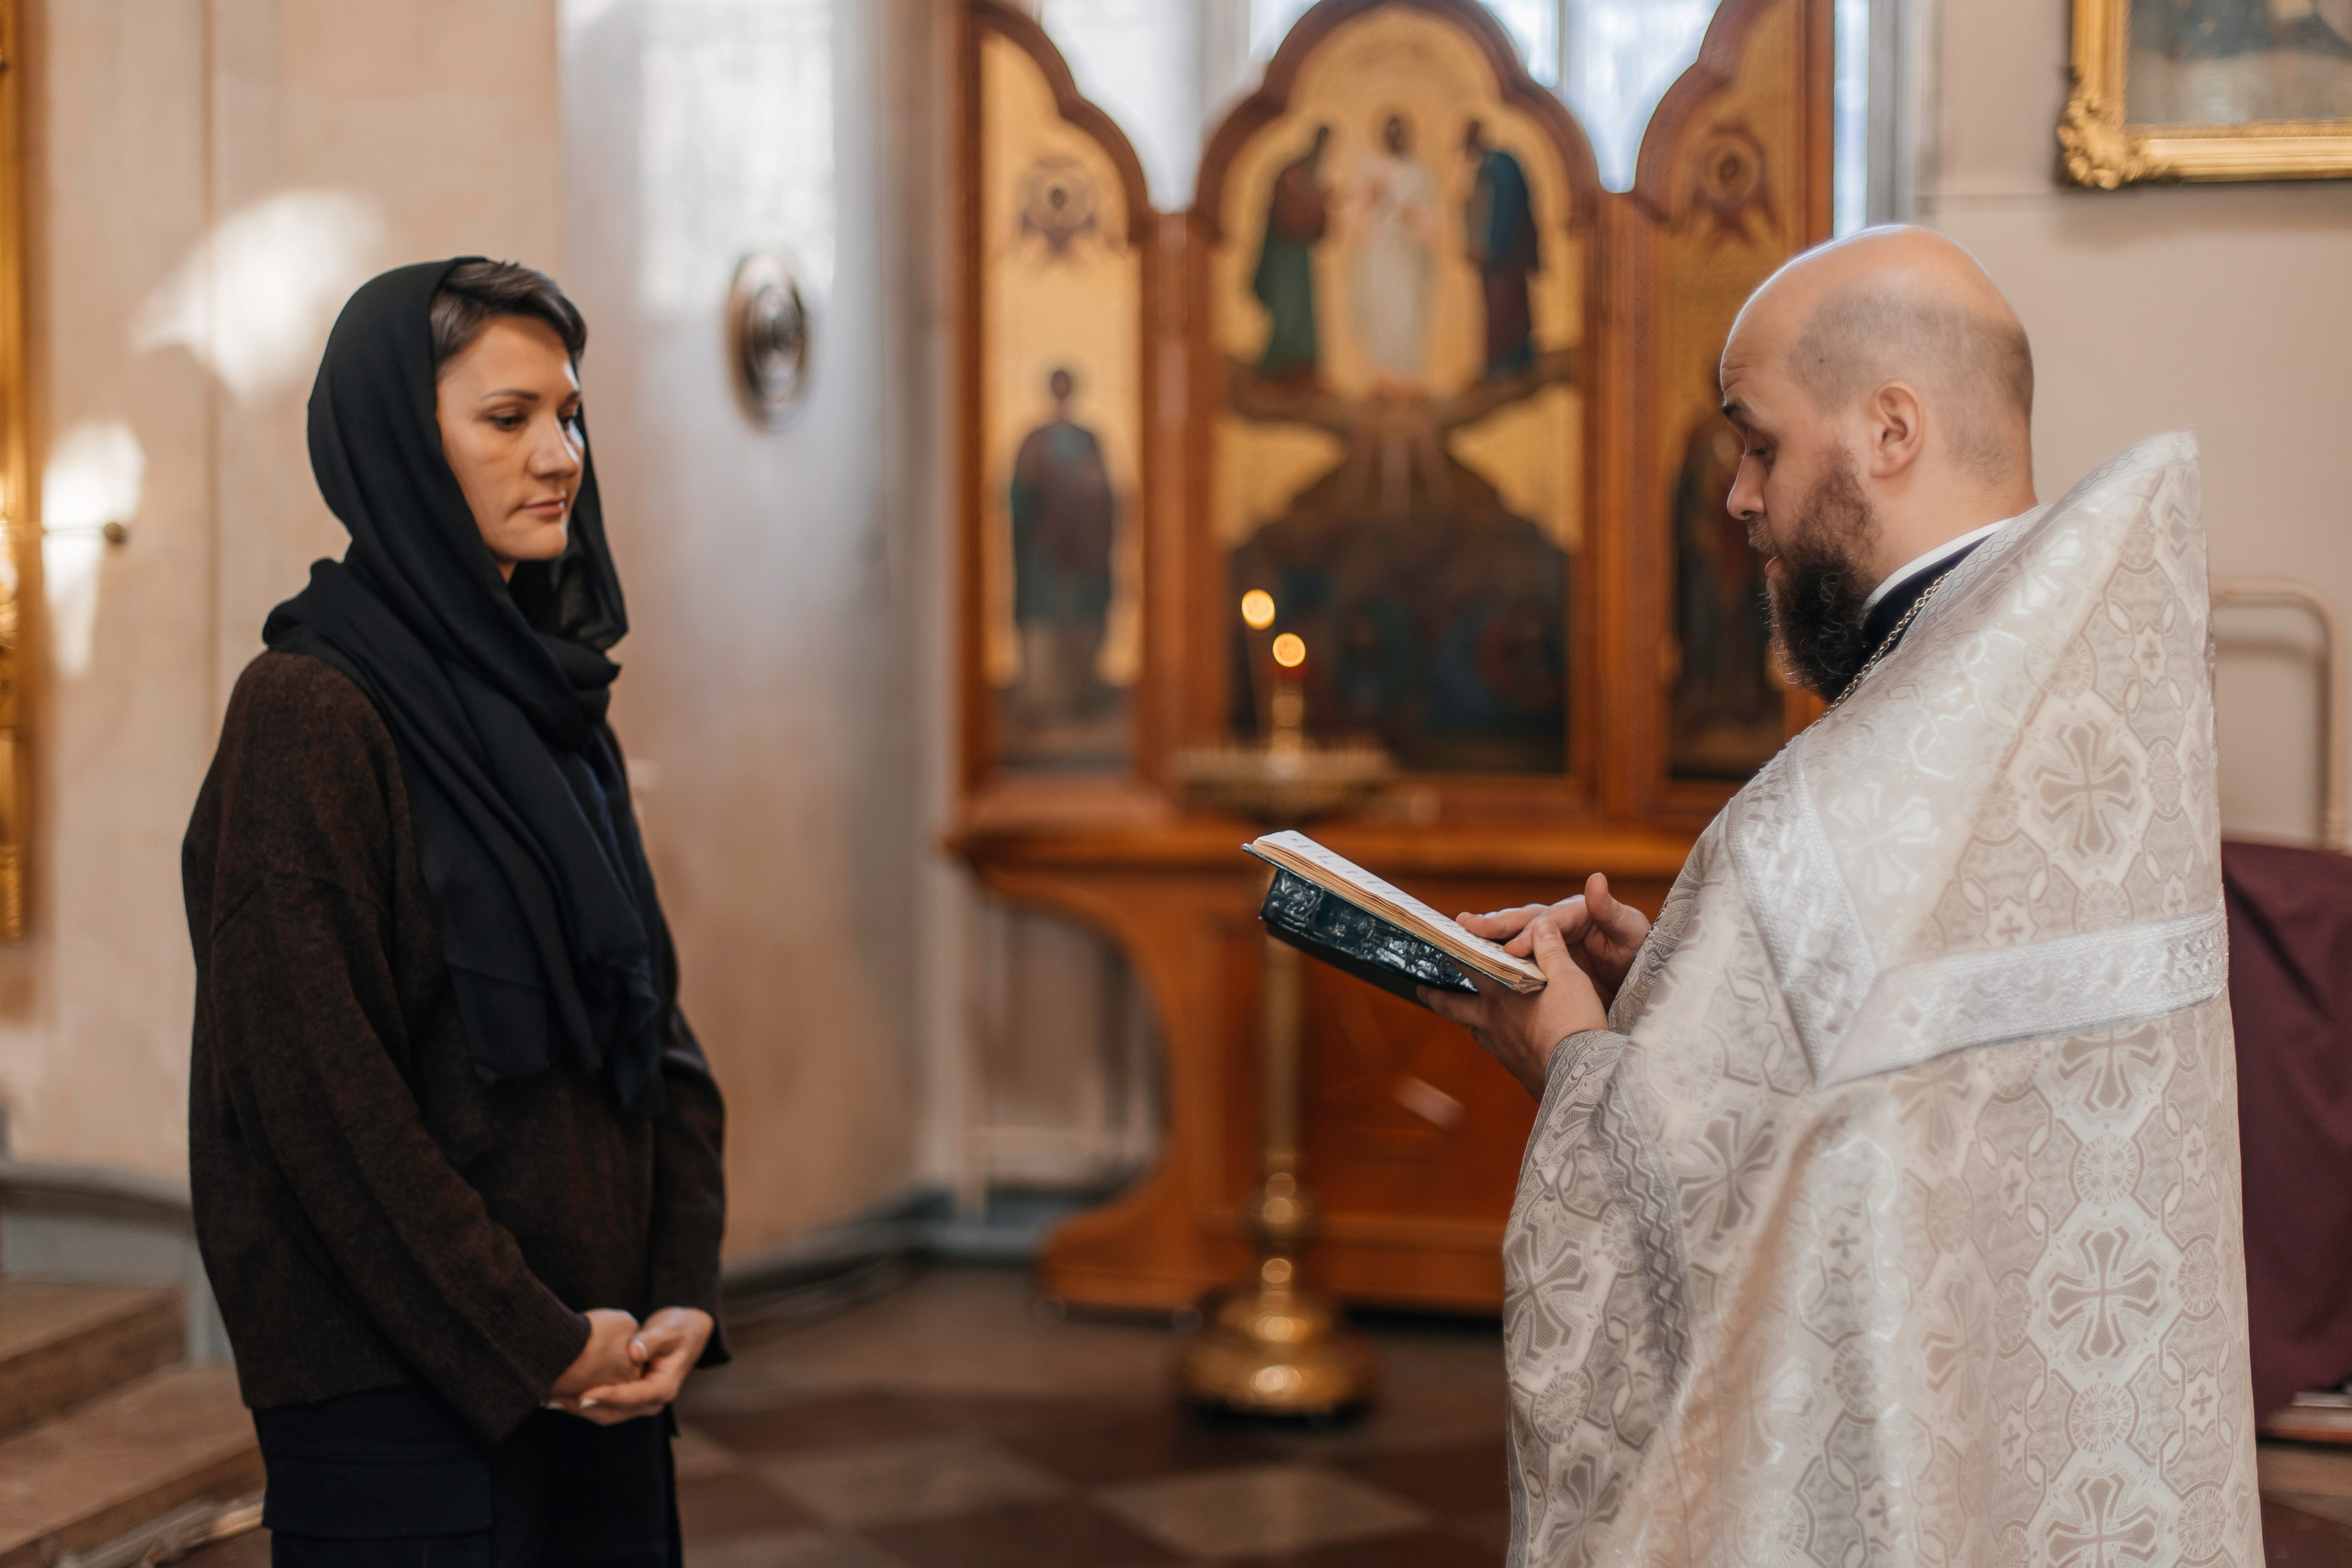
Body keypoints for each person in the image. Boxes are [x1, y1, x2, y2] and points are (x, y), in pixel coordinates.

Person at [1427, 228, 2259, 1564]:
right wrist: (1692, 994)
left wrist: (1572, 1052)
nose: (1740, 499)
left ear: (1888, 429)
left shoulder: (1827, 813)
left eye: (1756, 444)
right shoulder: (2089, 724)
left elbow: (1675, 1244)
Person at [184, 259, 728, 1564]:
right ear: (397, 440)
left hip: (600, 1372)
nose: (560, 454)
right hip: (407, 1406)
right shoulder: (310, 709)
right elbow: (324, 1101)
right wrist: (527, 1337)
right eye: (508, 417)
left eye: (571, 413)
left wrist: (678, 1288)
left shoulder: (550, 705)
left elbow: (653, 1027)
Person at [1008, 365, 1119, 728]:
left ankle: (1082, 698)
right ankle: (1045, 701)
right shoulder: (1035, 440)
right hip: (1044, 555)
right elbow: (1019, 497)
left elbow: (1106, 496)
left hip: (1084, 555)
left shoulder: (1088, 440)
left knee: (1083, 622)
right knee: (1045, 626)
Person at [1351, 111, 1437, 391]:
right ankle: (1383, 375)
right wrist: (1372, 200)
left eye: (1399, 131)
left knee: (1406, 309)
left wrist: (1412, 218)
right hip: (1379, 251)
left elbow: (1431, 215)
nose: (1394, 136)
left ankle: (1407, 375)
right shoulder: (1373, 167)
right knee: (1382, 306)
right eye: (1390, 130)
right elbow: (1358, 212)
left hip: (1407, 252)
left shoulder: (1417, 171)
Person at [1461, 118, 1540, 379]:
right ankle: (1498, 364)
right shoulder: (1486, 167)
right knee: (1497, 307)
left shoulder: (1500, 165)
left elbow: (1506, 211)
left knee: (1507, 306)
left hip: (1506, 256)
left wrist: (1491, 247)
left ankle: (1510, 362)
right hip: (1495, 256)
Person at [1253, 124, 1331, 383]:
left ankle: (1302, 366)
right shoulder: (1294, 171)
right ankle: (1279, 365)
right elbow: (1289, 208)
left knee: (1302, 308)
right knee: (1287, 307)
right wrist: (1314, 205)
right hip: (1284, 253)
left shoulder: (1311, 173)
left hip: (1299, 252)